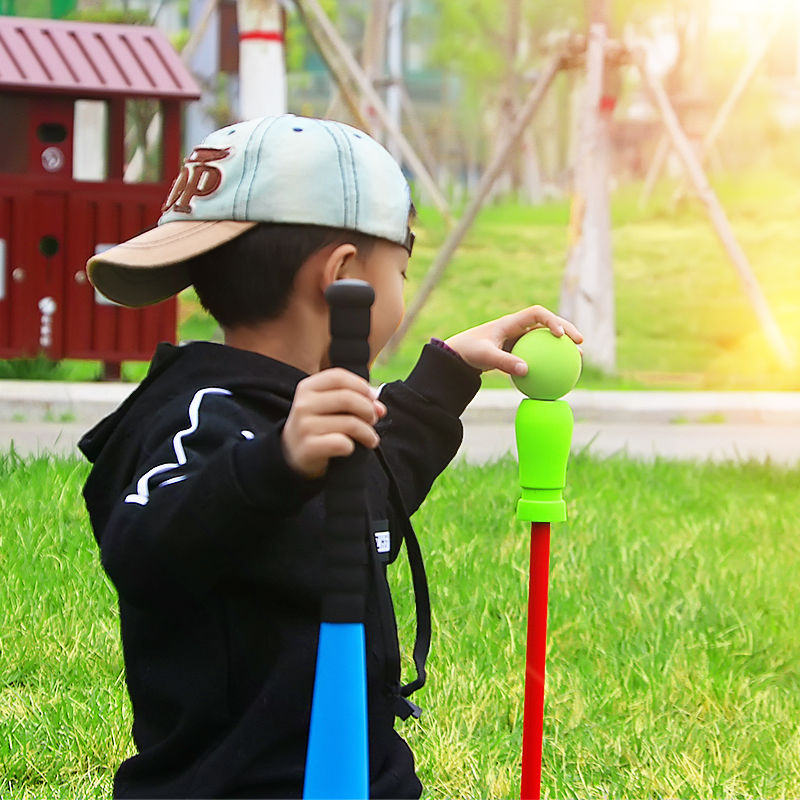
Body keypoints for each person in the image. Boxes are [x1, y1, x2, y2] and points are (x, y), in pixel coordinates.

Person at [79, 114, 582, 799]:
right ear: (344, 278)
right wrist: (274, 464)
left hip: (362, 774)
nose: (403, 292)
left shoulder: (310, 412)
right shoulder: (194, 414)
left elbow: (366, 492)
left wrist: (447, 373)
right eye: (401, 271)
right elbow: (142, 544)